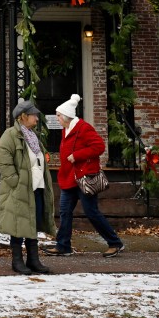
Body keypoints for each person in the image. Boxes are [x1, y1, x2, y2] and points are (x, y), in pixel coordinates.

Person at [43, 94, 125, 258]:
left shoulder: (84, 128)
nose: (56, 118)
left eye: (58, 116)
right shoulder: (65, 130)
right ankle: (63, 246)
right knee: (65, 212)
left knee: (91, 212)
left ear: (65, 116)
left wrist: (77, 155)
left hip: (84, 178)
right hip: (69, 179)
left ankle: (115, 243)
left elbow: (99, 147)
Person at [0, 99, 53, 274]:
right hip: (20, 189)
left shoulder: (33, 136)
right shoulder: (10, 134)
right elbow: (3, 159)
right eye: (34, 115)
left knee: (32, 223)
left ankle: (33, 260)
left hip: (36, 187)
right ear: (23, 116)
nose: (37, 118)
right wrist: (15, 181)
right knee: (18, 223)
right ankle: (17, 260)